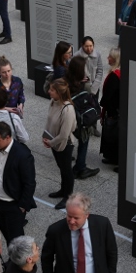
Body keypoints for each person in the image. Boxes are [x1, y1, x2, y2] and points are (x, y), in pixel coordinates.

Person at [41, 193, 118, 273]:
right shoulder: (56, 230)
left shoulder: (102, 225)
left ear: (87, 215)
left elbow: (111, 252)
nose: (71, 221)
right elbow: (46, 258)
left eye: (76, 218)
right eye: (68, 216)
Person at [0, 121, 36, 243]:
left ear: (7, 137)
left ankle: (24, 262)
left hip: (13, 205)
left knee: (17, 240)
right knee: (4, 232)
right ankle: (12, 260)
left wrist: (22, 206)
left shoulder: (23, 155)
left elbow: (29, 183)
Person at [44, 79, 78, 211]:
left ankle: (68, 196)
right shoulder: (53, 102)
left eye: (52, 90)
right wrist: (45, 136)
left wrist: (51, 142)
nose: (49, 91)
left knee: (66, 169)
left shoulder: (68, 110)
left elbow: (64, 134)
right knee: (61, 167)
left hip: (64, 144)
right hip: (53, 141)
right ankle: (63, 190)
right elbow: (49, 119)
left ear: (59, 93)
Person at [66, 56, 100, 182]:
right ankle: (81, 168)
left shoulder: (66, 80)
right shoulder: (82, 83)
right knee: (84, 142)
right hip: (81, 118)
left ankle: (77, 166)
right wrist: (86, 82)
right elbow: (90, 95)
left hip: (70, 117)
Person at [99, 48, 121, 171]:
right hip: (116, 110)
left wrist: (102, 105)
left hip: (114, 111)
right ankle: (112, 157)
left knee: (113, 135)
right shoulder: (118, 73)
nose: (107, 58)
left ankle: (116, 159)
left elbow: (108, 95)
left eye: (110, 56)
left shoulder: (114, 76)